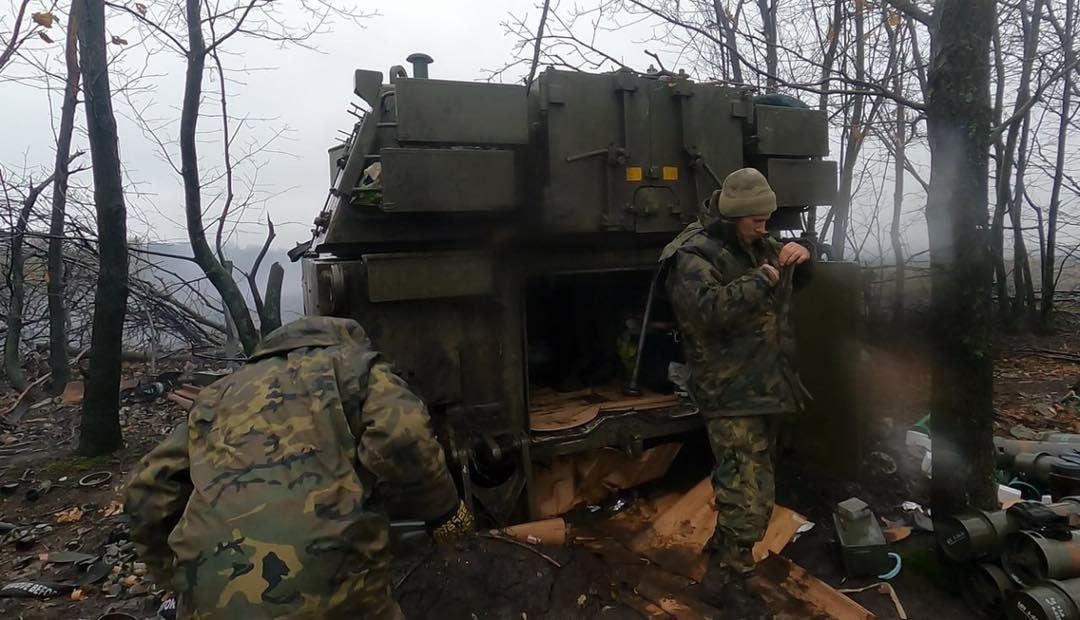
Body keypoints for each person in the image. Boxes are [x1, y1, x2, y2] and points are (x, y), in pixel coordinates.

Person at [124, 316, 472, 619]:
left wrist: (176, 578)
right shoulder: (354, 367)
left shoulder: (216, 395)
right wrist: (443, 512)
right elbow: (404, 435)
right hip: (335, 590)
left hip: (214, 599)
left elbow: (145, 491)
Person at [660, 167, 813, 609]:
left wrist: (804, 254)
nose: (764, 227)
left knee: (749, 490)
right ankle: (733, 584)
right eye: (756, 220)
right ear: (732, 216)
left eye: (768, 219)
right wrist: (759, 280)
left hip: (766, 386)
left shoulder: (756, 243)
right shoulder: (693, 254)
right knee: (748, 497)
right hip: (728, 392)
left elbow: (792, 273)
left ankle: (720, 572)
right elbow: (705, 312)